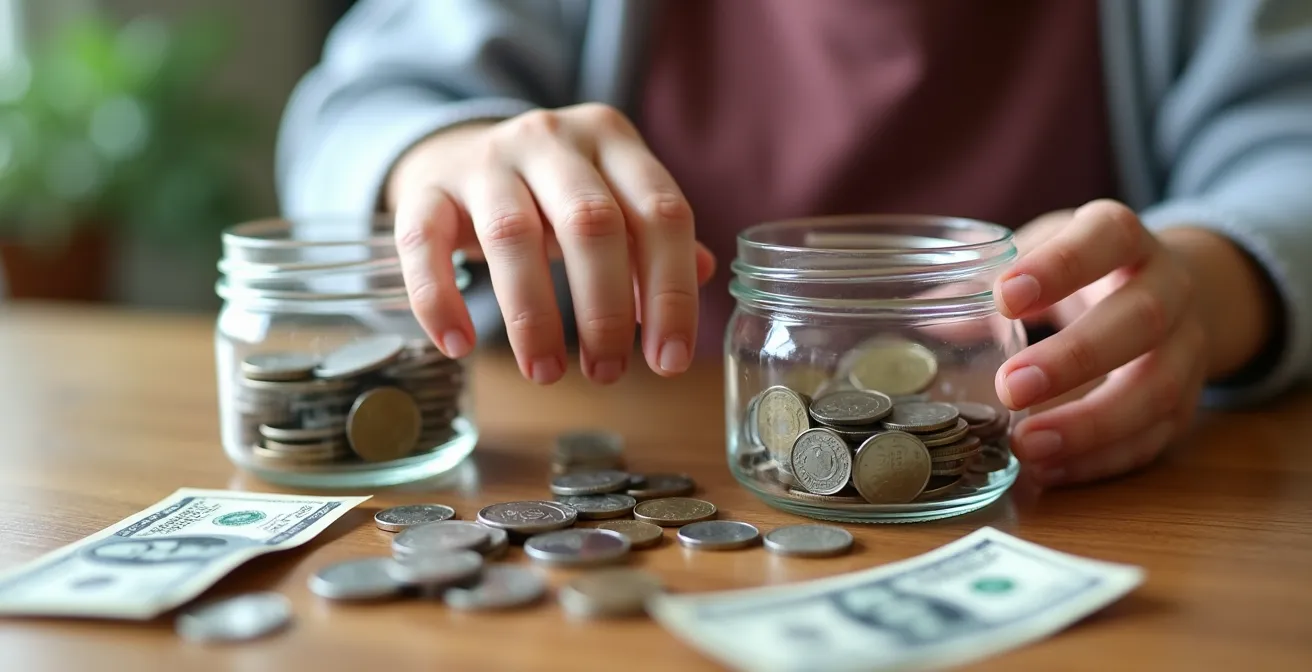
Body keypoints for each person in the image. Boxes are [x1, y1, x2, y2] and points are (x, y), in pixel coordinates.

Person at [275, 0, 1312, 488]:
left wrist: (1210, 282)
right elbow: (354, 105)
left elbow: (1290, 144)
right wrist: (435, 154)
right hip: (629, 432)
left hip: (1076, 469)